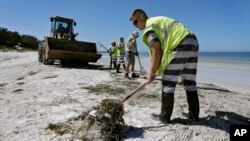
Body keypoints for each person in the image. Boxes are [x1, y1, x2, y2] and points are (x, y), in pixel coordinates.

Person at [129, 9, 200, 123]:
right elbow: (161, 51)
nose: (135, 26)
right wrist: (156, 69)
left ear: (141, 17)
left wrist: (151, 73)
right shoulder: (158, 20)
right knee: (189, 81)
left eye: (135, 22)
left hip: (180, 44)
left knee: (168, 82)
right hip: (192, 41)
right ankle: (194, 115)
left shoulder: (149, 28)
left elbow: (156, 51)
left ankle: (164, 117)